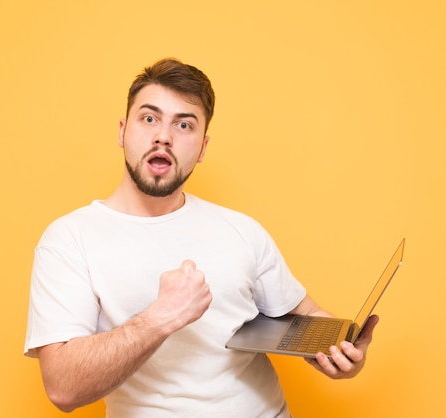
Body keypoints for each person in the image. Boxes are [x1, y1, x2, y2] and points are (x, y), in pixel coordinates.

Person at [24, 58, 379, 417]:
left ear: (203, 148)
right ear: (122, 131)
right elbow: (63, 387)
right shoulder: (69, 240)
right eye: (149, 118)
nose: (164, 136)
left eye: (184, 124)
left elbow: (307, 316)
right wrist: (161, 317)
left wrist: (345, 351)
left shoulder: (241, 229)